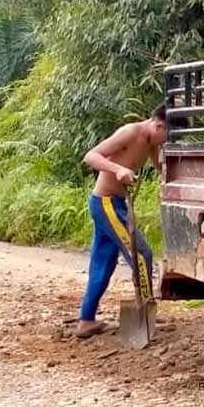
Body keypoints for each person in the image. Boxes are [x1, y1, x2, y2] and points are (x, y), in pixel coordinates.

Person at [75, 105, 170, 338]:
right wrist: (117, 169)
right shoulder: (131, 132)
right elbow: (91, 156)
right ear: (158, 125)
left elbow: (160, 166)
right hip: (105, 202)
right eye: (167, 135)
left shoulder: (152, 141)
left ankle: (86, 321)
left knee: (103, 263)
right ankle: (146, 314)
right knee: (141, 254)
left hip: (114, 204)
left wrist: (167, 178)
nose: (164, 141)